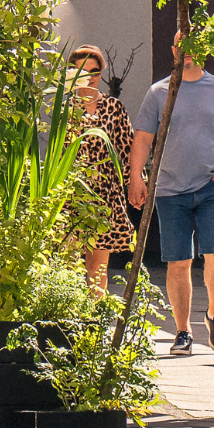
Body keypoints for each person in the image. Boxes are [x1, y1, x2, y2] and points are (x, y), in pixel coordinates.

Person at [129, 32, 214, 358]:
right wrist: (136, 178)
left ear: (204, 50)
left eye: (193, 46)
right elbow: (142, 139)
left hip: (212, 186)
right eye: (181, 45)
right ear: (173, 49)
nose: (187, 52)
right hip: (170, 190)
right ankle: (183, 331)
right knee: (178, 263)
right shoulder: (159, 93)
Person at [68, 45, 134, 294]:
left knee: (98, 268)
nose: (90, 76)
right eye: (83, 71)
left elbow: (127, 151)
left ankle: (95, 321)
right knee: (69, 263)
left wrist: (134, 186)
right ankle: (69, 318)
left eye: (95, 70)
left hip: (105, 193)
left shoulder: (114, 108)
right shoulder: (65, 109)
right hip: (72, 194)